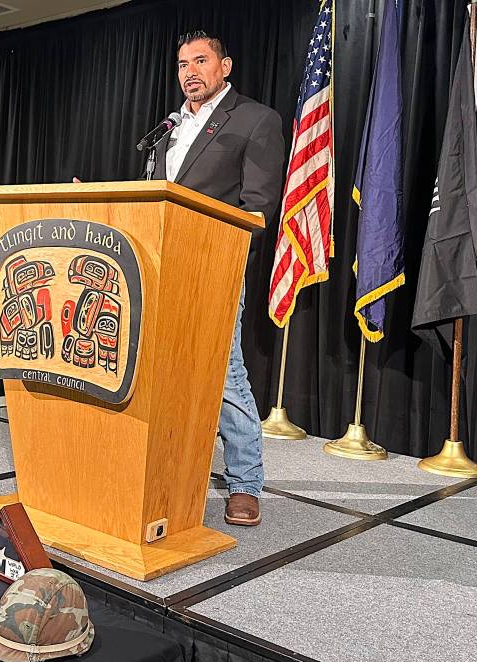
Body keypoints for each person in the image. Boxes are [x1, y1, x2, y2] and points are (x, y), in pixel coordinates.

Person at [152, 30, 286, 526]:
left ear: (224, 67)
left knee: (224, 375)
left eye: (200, 61)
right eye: (182, 64)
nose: (189, 71)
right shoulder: (169, 127)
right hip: (160, 264)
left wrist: (212, 248)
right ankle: (168, 470)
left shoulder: (254, 120)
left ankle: (245, 482)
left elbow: (257, 207)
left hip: (213, 266)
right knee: (161, 374)